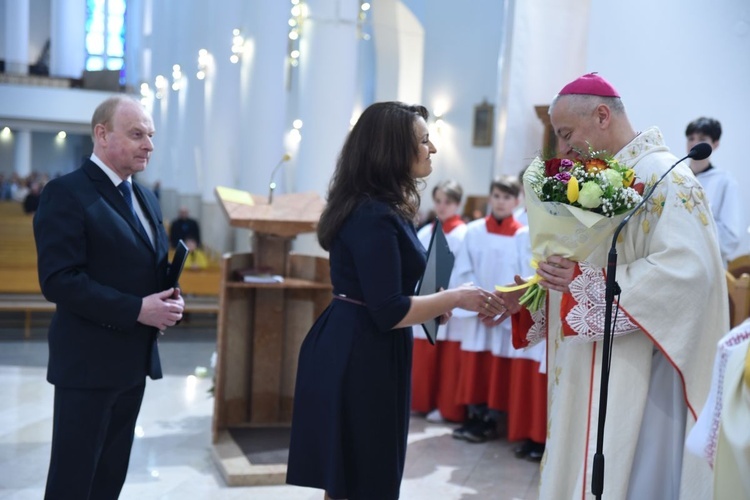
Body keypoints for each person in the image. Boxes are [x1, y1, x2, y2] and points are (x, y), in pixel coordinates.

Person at [498, 73, 727, 499]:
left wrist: (587, 283)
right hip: (588, 362)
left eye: (566, 134)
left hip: (638, 375)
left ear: (602, 115)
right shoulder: (603, 177)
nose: (564, 149)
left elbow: (691, 273)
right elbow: (585, 266)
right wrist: (537, 296)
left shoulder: (667, 178)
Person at [285, 101, 506, 500]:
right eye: (424, 140)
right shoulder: (373, 214)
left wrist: (439, 299)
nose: (432, 148)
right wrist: (455, 297)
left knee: (360, 476)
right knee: (363, 477)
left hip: (365, 345)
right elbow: (388, 310)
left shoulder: (382, 207)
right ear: (392, 149)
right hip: (360, 353)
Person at [33, 95, 184, 499]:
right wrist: (137, 309)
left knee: (108, 479)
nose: (149, 145)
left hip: (132, 363)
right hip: (87, 364)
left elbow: (148, 270)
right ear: (101, 134)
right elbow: (59, 280)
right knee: (73, 481)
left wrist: (170, 300)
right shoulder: (66, 193)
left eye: (150, 135)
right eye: (137, 135)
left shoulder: (146, 197)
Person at [450, 176, 543, 450]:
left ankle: (492, 419)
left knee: (498, 370)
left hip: (502, 312)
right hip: (477, 309)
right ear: (490, 198)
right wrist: (476, 301)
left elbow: (520, 275)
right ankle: (474, 416)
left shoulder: (521, 235)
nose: (501, 202)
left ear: (517, 202)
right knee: (475, 366)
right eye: (496, 196)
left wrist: (501, 306)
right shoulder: (474, 231)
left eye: (507, 197)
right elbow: (463, 268)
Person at [411, 179, 469, 424]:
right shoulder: (426, 231)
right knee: (425, 358)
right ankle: (421, 402)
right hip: (426, 299)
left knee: (448, 362)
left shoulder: (464, 233)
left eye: (448, 202)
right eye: (438, 201)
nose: (442, 206)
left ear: (457, 204)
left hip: (451, 301)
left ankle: (447, 407)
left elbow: (465, 269)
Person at [685, 117, 743, 265]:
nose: (694, 143)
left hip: (708, 264)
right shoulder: (676, 176)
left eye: (702, 139)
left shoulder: (725, 182)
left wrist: (690, 231)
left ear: (715, 144)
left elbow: (730, 236)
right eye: (691, 138)